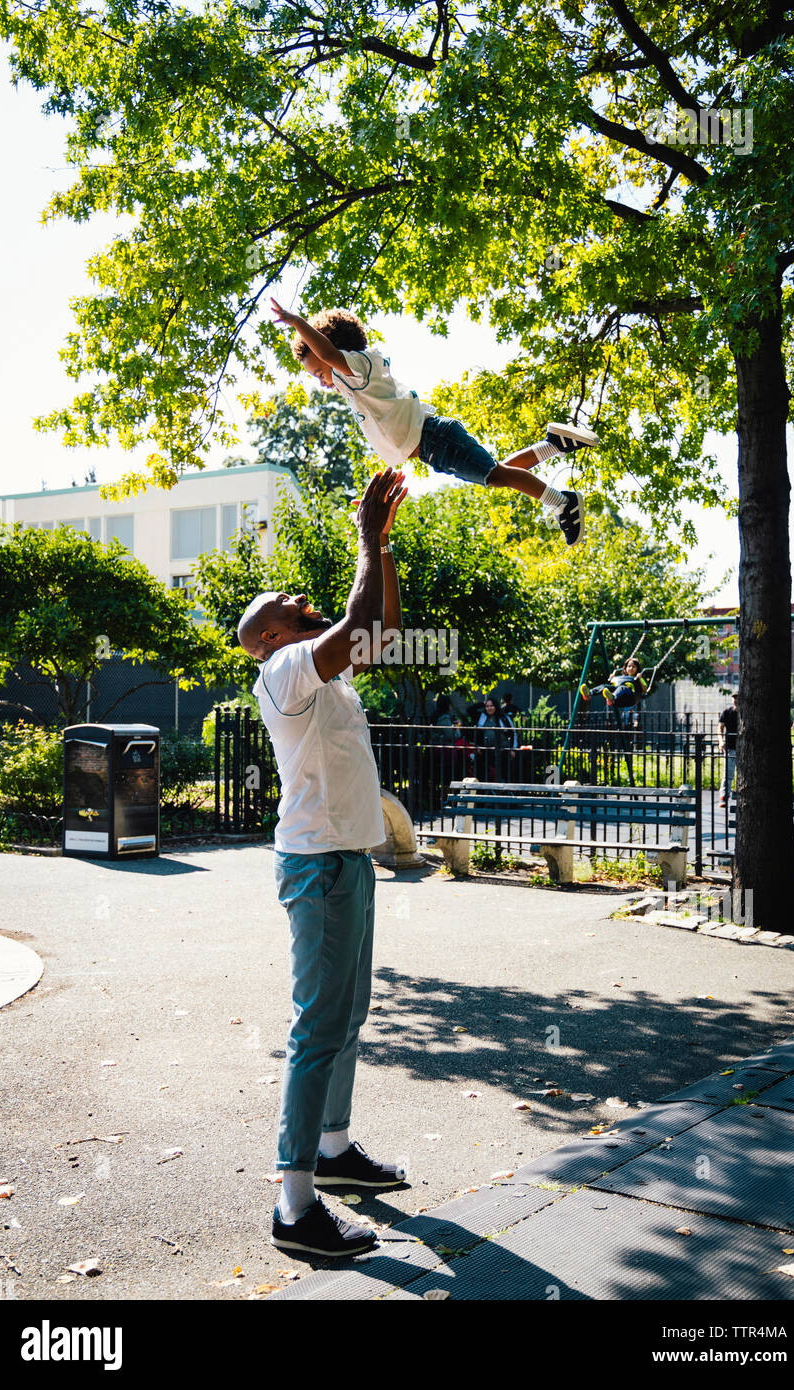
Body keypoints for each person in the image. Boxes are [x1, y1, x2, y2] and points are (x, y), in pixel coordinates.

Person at [238, 467, 408, 1258]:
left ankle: (335, 1152)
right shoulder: (282, 672)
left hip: (349, 862)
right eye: (281, 604)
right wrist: (364, 540)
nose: (294, 596)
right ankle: (294, 1203)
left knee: (348, 1018)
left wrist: (384, 546)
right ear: (268, 636)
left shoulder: (327, 679)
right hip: (318, 868)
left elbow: (380, 631)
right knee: (317, 1028)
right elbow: (351, 622)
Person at [270, 298, 597, 547]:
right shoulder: (353, 383)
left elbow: (329, 355)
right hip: (430, 448)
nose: (321, 381)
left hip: (435, 439)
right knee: (498, 473)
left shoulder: (358, 366)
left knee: (496, 476)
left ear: (333, 350)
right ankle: (554, 444)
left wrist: (297, 322)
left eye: (319, 373)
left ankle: (562, 501)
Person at [580, 658, 649, 711]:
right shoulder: (622, 677)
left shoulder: (639, 678)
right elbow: (613, 686)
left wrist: (639, 679)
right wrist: (612, 678)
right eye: (629, 666)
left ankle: (612, 697)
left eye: (633, 667)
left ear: (637, 669)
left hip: (630, 697)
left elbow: (645, 690)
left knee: (622, 688)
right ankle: (589, 693)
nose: (631, 668)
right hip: (618, 699)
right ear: (625, 668)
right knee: (604, 686)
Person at [477, 695, 518, 779]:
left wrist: (512, 749)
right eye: (487, 706)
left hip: (503, 751)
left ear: (496, 706)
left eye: (491, 706)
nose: (489, 708)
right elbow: (479, 733)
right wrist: (478, 746)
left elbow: (512, 732)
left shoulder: (504, 717)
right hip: (487, 751)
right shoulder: (483, 717)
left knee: (504, 773)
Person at [718, 692, 739, 808]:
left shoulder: (746, 713)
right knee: (728, 774)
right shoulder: (727, 712)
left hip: (743, 747)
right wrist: (721, 741)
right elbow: (720, 728)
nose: (735, 700)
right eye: (734, 698)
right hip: (731, 746)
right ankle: (724, 797)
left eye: (737, 698)